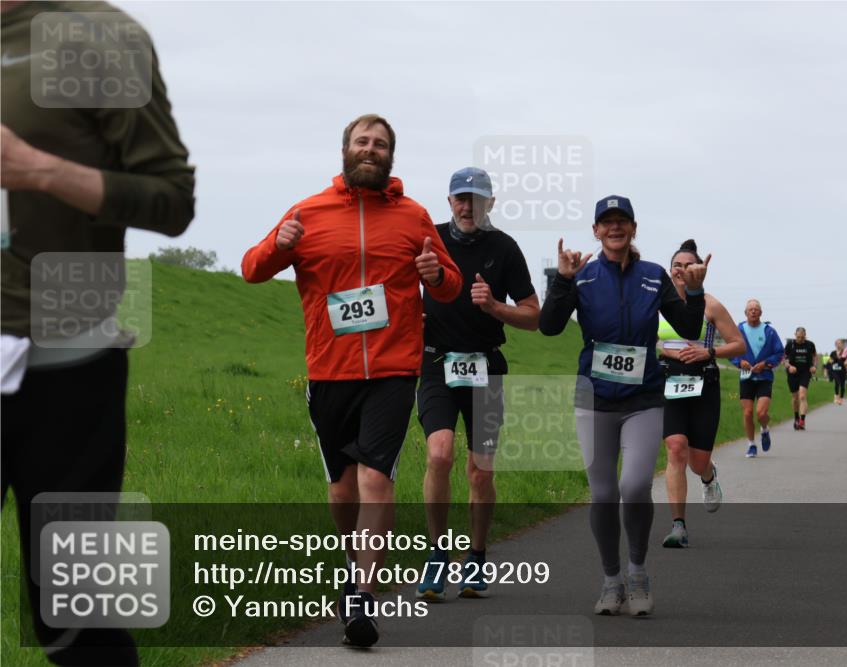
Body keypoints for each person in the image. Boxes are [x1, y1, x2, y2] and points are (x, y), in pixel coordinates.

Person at [1, 4, 195, 665]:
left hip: (64, 369)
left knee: (73, 618)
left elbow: (171, 200)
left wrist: (36, 169)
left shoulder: (100, 34)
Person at [242, 114, 462, 647]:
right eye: (362, 141)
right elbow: (252, 268)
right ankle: (353, 563)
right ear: (345, 150)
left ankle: (362, 597)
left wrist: (436, 275)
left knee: (375, 479)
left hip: (393, 369)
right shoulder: (308, 212)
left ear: (390, 155)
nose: (370, 149)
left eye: (380, 144)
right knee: (343, 489)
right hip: (330, 369)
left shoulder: (413, 216)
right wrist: (280, 245)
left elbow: (451, 284)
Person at [540, 195, 708, 617]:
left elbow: (689, 326)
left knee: (633, 487)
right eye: (607, 222)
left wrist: (696, 289)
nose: (614, 227)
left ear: (634, 229)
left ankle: (637, 571)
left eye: (622, 221)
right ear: (596, 231)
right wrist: (562, 281)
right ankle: (611, 578)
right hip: (594, 398)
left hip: (642, 398)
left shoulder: (653, 276)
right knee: (602, 494)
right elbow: (550, 326)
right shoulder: (582, 276)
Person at [415, 168, 539, 601]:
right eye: (461, 199)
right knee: (439, 454)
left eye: (477, 199)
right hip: (436, 364)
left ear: (491, 203)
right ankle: (436, 555)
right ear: (449, 201)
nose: (469, 207)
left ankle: (477, 556)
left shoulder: (504, 248)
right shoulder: (429, 240)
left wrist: (495, 308)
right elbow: (397, 287)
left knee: (481, 472)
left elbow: (533, 315)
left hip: (485, 367)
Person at [658, 240, 744, 549]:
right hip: (669, 380)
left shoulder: (711, 305)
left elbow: (738, 344)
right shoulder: (657, 302)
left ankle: (708, 476)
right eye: (676, 265)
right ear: (670, 270)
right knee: (675, 448)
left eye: (688, 265)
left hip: (704, 382)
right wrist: (663, 348)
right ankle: (678, 526)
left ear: (700, 270)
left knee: (697, 462)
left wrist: (709, 352)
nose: (682, 270)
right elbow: (643, 339)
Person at [730, 300, 785, 458]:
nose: (753, 311)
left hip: (764, 377)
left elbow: (779, 352)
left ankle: (765, 429)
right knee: (747, 413)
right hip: (746, 377)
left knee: (761, 413)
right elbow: (730, 349)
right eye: (750, 309)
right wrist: (739, 362)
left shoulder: (769, 331)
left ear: (761, 313)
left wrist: (766, 364)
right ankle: (751, 444)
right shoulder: (738, 330)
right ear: (745, 313)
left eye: (756, 309)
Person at [783, 327, 818, 430]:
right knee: (795, 398)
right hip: (792, 373)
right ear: (795, 335)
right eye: (798, 337)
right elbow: (784, 359)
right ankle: (796, 418)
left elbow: (815, 357)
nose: (800, 339)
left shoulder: (810, 345)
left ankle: (802, 421)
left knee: (802, 396)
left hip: (805, 372)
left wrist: (814, 366)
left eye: (802, 337)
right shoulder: (790, 344)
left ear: (805, 335)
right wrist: (789, 366)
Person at [829, 339, 847, 406]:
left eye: (840, 343)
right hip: (835, 370)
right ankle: (836, 396)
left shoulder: (845, 352)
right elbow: (830, 360)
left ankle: (841, 399)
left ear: (842, 344)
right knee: (837, 382)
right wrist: (833, 360)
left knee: (842, 385)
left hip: (842, 370)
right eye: (837, 343)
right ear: (835, 345)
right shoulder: (833, 352)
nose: (838, 345)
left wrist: (844, 362)